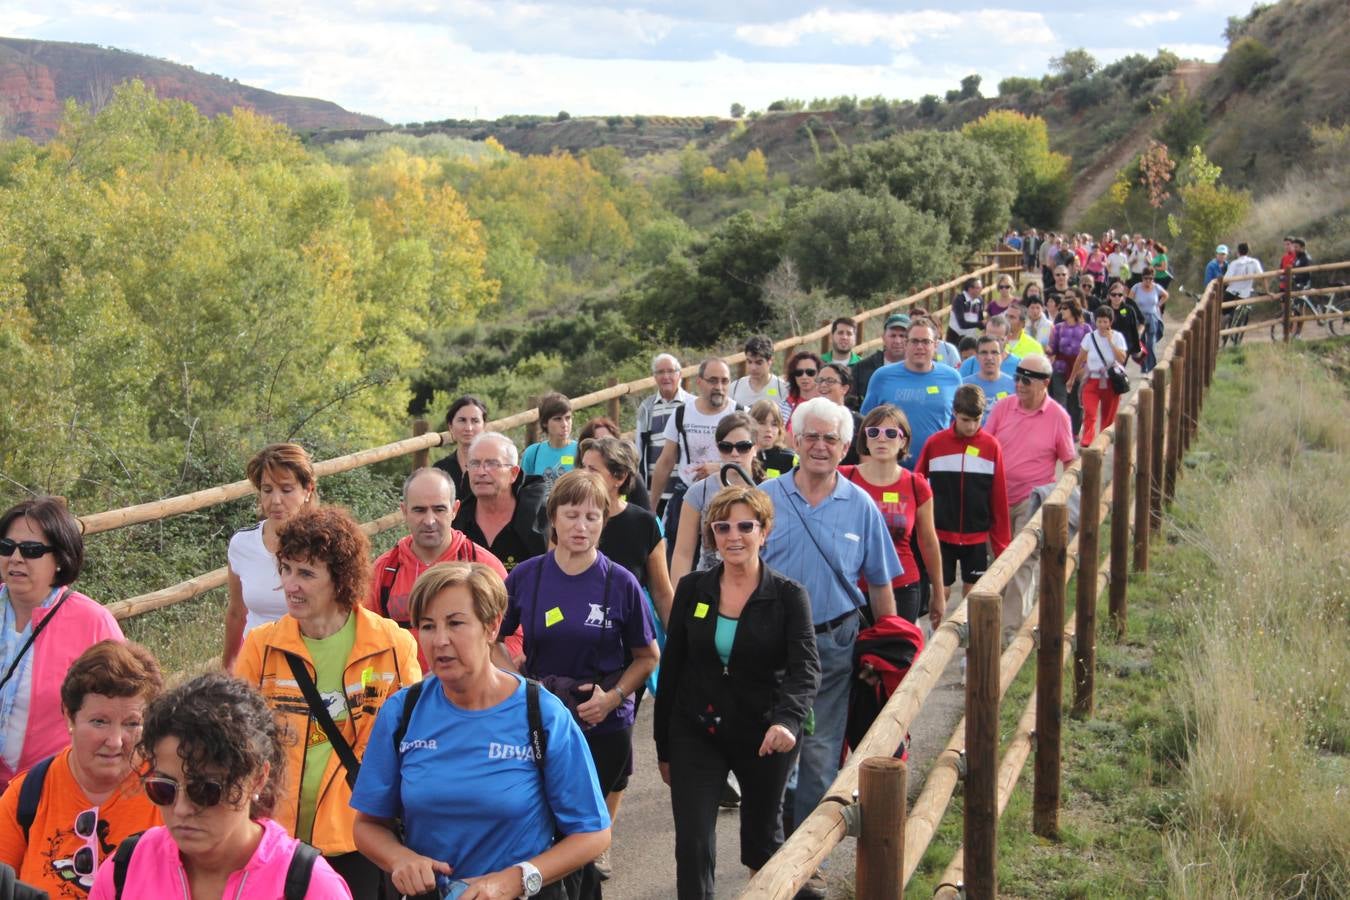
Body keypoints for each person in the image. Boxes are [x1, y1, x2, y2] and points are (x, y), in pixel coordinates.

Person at [352, 563, 610, 900]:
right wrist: (401, 859)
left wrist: (515, 880)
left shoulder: (541, 713)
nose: (440, 640)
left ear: (491, 627)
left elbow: (593, 833)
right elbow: (367, 825)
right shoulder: (403, 712)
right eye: (427, 626)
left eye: (456, 623)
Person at [235, 505, 421, 896]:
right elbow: (236, 742)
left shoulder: (393, 646)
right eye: (285, 569)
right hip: (274, 839)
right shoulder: (261, 646)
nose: (290, 585)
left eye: (306, 573)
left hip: (360, 839)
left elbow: (412, 744)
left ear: (339, 579)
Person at [758, 398, 900, 894]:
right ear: (793, 441)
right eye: (811, 437)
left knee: (820, 755)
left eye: (830, 439)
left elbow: (881, 585)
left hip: (834, 645)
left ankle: (805, 858)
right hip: (770, 648)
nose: (820, 446)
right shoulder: (763, 500)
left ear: (845, 446)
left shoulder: (861, 506)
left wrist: (889, 653)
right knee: (772, 751)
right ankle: (768, 852)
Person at [654, 485, 821, 900]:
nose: (734, 536)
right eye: (722, 526)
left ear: (763, 532)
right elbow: (671, 667)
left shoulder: (788, 596)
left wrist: (787, 721)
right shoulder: (693, 589)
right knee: (692, 845)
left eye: (746, 526)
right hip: (697, 730)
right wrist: (663, 746)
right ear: (711, 534)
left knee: (762, 847)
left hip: (764, 733)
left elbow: (806, 669)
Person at [500, 471, 659, 897]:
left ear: (604, 522)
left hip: (601, 726)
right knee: (545, 827)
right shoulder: (527, 577)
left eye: (592, 517)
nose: (581, 527)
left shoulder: (621, 582)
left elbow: (647, 658)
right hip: (542, 721)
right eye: (571, 515)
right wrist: (517, 682)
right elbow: (491, 633)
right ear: (553, 518)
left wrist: (612, 699)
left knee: (583, 834)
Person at [91, 672, 352, 899]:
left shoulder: (308, 886)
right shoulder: (124, 869)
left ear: (257, 778)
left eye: (204, 790)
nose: (181, 809)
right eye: (164, 788)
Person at [0, 641, 162, 898]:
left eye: (132, 724)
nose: (116, 740)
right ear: (68, 716)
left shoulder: (168, 795)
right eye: (100, 722)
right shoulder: (27, 796)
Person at [0, 499, 123, 793]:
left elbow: (128, 709)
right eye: (6, 546)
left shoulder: (92, 623)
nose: (15, 558)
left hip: (50, 790)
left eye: (31, 550)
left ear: (59, 560)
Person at [366, 468, 517, 668]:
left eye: (439, 509)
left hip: (466, 691)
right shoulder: (385, 570)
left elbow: (513, 637)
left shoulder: (484, 566)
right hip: (402, 691)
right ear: (404, 511)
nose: (429, 521)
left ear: (454, 509)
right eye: (419, 510)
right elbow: (364, 637)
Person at [985, 354, 1076, 632]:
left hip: (1031, 499)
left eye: (1026, 379)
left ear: (1045, 383)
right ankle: (991, 623)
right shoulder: (1003, 408)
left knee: (1023, 561)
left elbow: (1070, 461)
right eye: (1017, 377)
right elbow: (986, 445)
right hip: (997, 499)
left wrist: (1062, 496)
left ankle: (1009, 633)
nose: (1019, 384)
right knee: (998, 562)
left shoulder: (1058, 417)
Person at [840, 407, 946, 626]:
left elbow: (928, 541)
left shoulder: (916, 485)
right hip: (851, 588)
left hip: (902, 586)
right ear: (865, 440)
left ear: (903, 441)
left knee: (894, 657)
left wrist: (939, 592)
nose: (881, 439)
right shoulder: (843, 478)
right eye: (873, 432)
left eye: (890, 434)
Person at [223, 443, 318, 671]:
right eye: (267, 490)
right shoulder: (242, 544)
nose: (275, 501)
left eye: (286, 490)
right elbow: (237, 612)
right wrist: (228, 665)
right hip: (255, 661)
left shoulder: (325, 546)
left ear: (307, 490)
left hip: (311, 661)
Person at [916, 385, 1011, 602]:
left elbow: (998, 497)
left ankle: (968, 635)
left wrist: (1001, 544)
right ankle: (936, 633)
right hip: (941, 533)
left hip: (976, 535)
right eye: (966, 420)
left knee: (973, 594)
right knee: (940, 592)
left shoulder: (991, 446)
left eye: (976, 420)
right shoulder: (935, 443)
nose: (971, 426)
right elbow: (917, 484)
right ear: (955, 413)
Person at [648, 358, 742, 559]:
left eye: (724, 381)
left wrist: (719, 467)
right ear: (699, 382)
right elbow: (665, 462)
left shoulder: (740, 414)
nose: (719, 387)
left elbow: (752, 462)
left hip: (728, 499)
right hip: (687, 498)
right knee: (679, 556)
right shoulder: (682, 413)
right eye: (713, 381)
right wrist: (651, 506)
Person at [579, 437, 676, 626]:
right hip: (580, 626)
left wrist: (679, 647)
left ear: (620, 477)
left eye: (592, 469)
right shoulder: (568, 520)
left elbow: (662, 594)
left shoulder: (644, 523)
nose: (583, 474)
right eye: (582, 467)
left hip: (631, 629)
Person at [670, 413, 762, 584]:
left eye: (743, 447)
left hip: (757, 585)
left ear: (755, 448)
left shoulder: (768, 490)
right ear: (718, 448)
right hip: (709, 587)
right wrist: (677, 601)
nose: (735, 454)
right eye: (726, 447)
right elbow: (683, 553)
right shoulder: (699, 492)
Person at [860, 319, 963, 469]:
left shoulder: (952, 378)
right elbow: (866, 425)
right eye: (914, 341)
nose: (919, 347)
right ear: (906, 344)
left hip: (937, 469)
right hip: (890, 470)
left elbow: (958, 426)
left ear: (936, 345)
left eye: (925, 341)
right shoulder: (882, 377)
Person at [453, 432, 550, 572]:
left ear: (514, 473)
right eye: (474, 464)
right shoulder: (457, 520)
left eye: (492, 464)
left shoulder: (539, 521)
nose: (481, 471)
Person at [636, 354, 694, 512]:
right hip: (654, 494)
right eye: (660, 372)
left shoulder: (692, 405)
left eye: (671, 371)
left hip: (685, 491)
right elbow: (639, 450)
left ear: (679, 374)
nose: (666, 376)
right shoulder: (646, 407)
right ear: (654, 377)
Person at [1069, 306, 1130, 447]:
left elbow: (1122, 358)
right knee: (1090, 413)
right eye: (1099, 321)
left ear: (1110, 322)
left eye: (1105, 322)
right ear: (1095, 322)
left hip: (1111, 381)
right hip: (1092, 380)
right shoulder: (1089, 337)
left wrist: (1110, 341)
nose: (1102, 325)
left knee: (1108, 417)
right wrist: (1072, 378)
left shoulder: (1118, 337)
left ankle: (1102, 444)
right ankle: (1087, 442)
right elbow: (1080, 358)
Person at [576, 420, 651, 511]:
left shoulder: (642, 518)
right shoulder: (573, 504)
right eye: (597, 440)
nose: (601, 444)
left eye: (607, 440)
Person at [1048, 295, 1090, 438]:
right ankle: (1062, 431)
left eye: (1065, 308)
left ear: (1073, 310)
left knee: (1076, 402)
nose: (1062, 311)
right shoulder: (1057, 328)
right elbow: (1052, 349)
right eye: (1061, 308)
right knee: (1061, 400)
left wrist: (1084, 367)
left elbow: (1090, 350)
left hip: (1079, 369)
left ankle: (1075, 431)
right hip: (1060, 368)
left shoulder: (1086, 328)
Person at [432, 395, 489, 499]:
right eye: (462, 420)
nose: (468, 428)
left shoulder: (495, 466)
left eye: (475, 421)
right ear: (450, 426)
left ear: (484, 426)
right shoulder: (440, 470)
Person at [521, 392, 578, 490]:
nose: (564, 424)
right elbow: (523, 490)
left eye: (568, 418)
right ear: (544, 423)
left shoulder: (581, 450)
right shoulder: (532, 453)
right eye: (558, 419)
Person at [850, 313, 908, 405]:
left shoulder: (920, 368)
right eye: (893, 336)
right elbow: (852, 402)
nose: (897, 341)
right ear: (883, 338)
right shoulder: (862, 368)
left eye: (902, 336)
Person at [730, 336, 790, 419]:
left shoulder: (782, 389)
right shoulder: (734, 388)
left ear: (770, 361)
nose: (753, 367)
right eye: (749, 362)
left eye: (759, 362)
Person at [815, 363, 861, 465]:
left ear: (844, 388)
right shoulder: (808, 418)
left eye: (830, 381)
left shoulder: (859, 422)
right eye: (820, 380)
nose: (823, 385)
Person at [963, 336, 1017, 420]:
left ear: (1002, 355)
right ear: (977, 356)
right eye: (984, 352)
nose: (989, 357)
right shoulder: (964, 386)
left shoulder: (1014, 386)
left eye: (994, 352)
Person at [1130, 267, 1169, 373]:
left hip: (1152, 317)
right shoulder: (1136, 288)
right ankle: (1144, 367)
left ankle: (1152, 368)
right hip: (1140, 319)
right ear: (1142, 278)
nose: (1148, 281)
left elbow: (1165, 295)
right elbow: (1129, 301)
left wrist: (1158, 305)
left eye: (1150, 279)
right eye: (1146, 278)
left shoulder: (1156, 288)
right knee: (1141, 344)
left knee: (1150, 345)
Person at [956, 315, 1018, 379]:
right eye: (990, 338)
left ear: (1008, 338)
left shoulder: (1018, 365)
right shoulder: (969, 364)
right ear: (983, 335)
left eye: (998, 339)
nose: (994, 343)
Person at [749, 400, 796, 480]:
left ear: (780, 428)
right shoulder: (743, 454)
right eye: (762, 423)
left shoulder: (790, 459)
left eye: (774, 424)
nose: (769, 429)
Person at [1106, 281, 1146, 365]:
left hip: (1125, 345)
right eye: (1114, 294)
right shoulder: (1104, 308)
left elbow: (1133, 329)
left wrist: (1136, 348)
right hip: (1107, 343)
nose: (1117, 297)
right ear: (1109, 295)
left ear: (1123, 296)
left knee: (1118, 369)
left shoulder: (1129, 310)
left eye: (1120, 295)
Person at [1223, 242, 1264, 307]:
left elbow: (1225, 280)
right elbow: (1262, 276)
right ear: (1248, 252)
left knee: (1222, 310)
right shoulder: (1254, 262)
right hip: (1246, 294)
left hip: (1232, 293)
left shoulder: (1234, 263)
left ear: (1238, 252)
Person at [946, 277, 985, 344]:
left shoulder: (979, 300)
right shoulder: (959, 300)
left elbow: (980, 320)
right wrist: (979, 324)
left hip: (970, 337)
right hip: (955, 336)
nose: (981, 290)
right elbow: (962, 324)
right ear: (970, 289)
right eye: (978, 288)